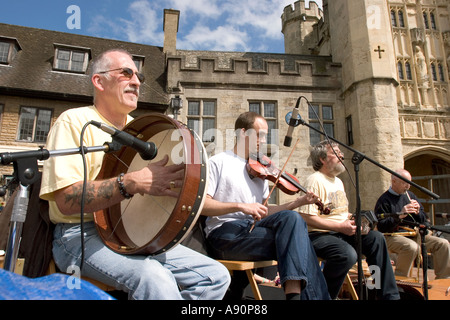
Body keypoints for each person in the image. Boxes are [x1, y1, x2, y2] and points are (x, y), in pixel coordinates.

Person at [39, 49, 230, 300]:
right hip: (78, 234)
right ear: (99, 81)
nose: (137, 82)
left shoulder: (141, 130)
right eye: (126, 73)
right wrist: (129, 182)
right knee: (153, 277)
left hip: (134, 235)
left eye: (138, 76)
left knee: (216, 276)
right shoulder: (74, 121)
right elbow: (66, 200)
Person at [201, 111, 330, 300]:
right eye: (260, 134)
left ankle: (293, 296)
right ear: (244, 133)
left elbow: (264, 211)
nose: (264, 140)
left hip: (251, 231)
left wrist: (298, 202)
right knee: (298, 242)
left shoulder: (260, 170)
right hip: (224, 235)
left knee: (294, 224)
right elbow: (203, 205)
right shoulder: (218, 162)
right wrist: (241, 206)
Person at [298, 140, 399, 300]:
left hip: (342, 232)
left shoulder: (338, 182)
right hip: (319, 235)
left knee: (377, 239)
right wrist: (340, 227)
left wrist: (356, 221)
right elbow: (306, 217)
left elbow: (340, 212)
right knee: (347, 254)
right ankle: (322, 296)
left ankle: (387, 295)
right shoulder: (314, 180)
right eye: (336, 153)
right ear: (323, 159)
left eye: (341, 152)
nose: (342, 155)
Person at [374, 169, 450, 279]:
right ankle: (401, 279)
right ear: (394, 181)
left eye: (409, 183)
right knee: (411, 247)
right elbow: (381, 226)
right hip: (392, 236)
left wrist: (419, 212)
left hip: (414, 235)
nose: (408, 186)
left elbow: (424, 220)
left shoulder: (410, 195)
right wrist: (399, 215)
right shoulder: (384, 200)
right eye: (405, 183)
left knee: (443, 244)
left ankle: (443, 278)